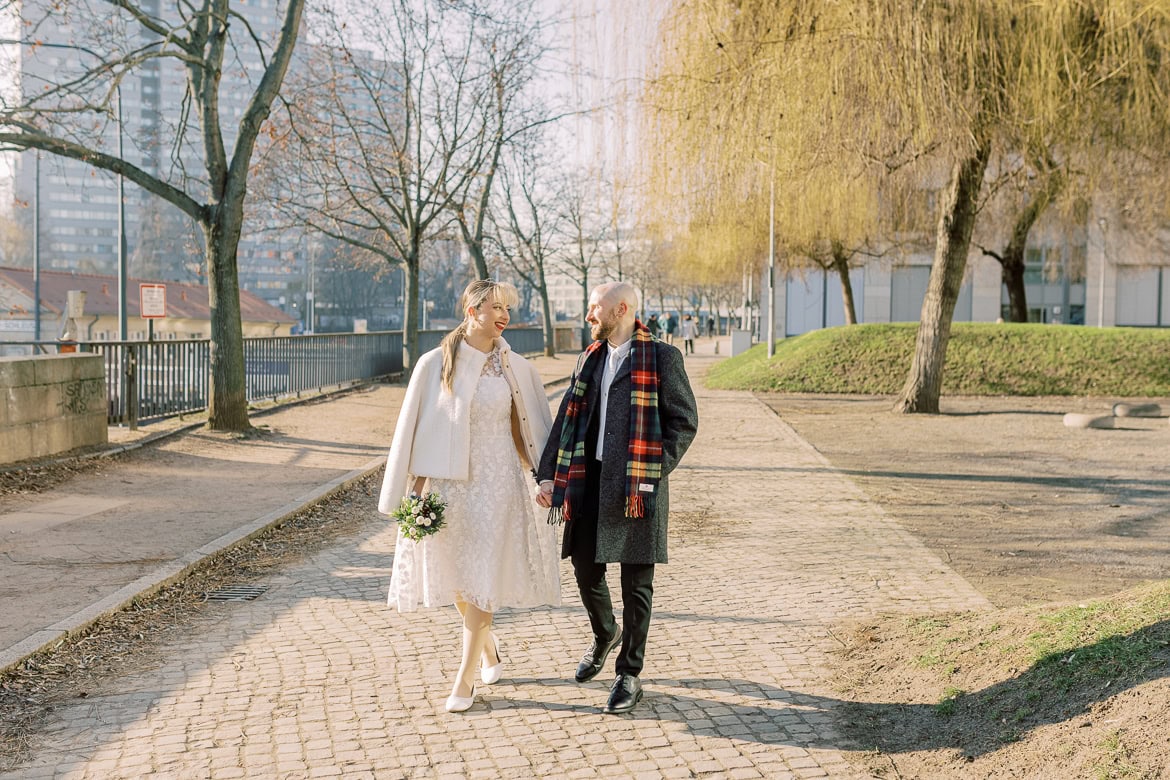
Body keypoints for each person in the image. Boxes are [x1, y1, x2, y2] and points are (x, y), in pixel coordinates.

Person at [378, 280, 559, 713]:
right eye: (495, 307)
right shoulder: (435, 363)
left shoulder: (515, 367)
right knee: (459, 577)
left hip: (498, 486)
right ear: (471, 309)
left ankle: (464, 681)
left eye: (507, 308)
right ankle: (488, 646)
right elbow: (417, 430)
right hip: (451, 486)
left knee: (481, 579)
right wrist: (414, 490)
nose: (504, 315)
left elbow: (524, 429)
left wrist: (542, 478)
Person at [535, 281, 698, 715]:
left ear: (621, 309)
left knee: (636, 585)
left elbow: (684, 422)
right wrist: (548, 475)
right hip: (589, 481)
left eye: (595, 308)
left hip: (634, 490)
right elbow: (564, 421)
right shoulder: (590, 358)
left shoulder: (662, 358)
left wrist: (652, 471)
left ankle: (630, 674)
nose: (589, 316)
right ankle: (605, 632)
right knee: (585, 568)